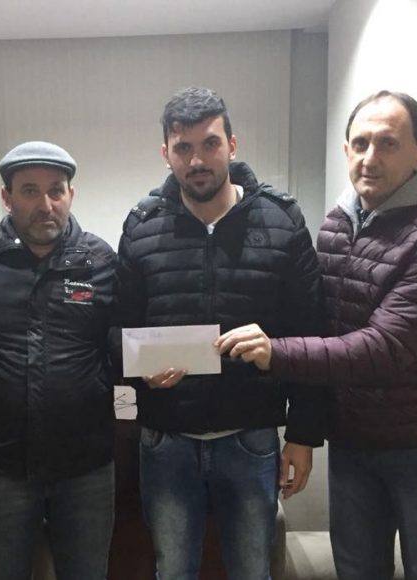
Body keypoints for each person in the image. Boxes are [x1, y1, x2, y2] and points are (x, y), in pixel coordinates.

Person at [216, 91, 417, 580]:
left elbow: (385, 348)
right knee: (356, 570)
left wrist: (274, 352)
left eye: (388, 143)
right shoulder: (337, 226)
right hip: (354, 439)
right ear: (345, 150)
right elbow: (319, 324)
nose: (370, 158)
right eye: (360, 143)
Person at [116, 87, 326, 579]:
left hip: (250, 438)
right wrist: (142, 373)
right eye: (183, 148)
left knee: (253, 571)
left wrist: (303, 436)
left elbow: (312, 333)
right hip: (165, 441)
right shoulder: (141, 226)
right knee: (173, 572)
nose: (197, 160)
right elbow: (114, 332)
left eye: (209, 144)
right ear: (166, 154)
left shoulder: (281, 220)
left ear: (232, 145)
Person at [0, 141, 117, 580]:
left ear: (70, 194)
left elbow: (121, 343)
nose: (45, 204)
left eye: (56, 190)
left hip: (85, 467)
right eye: (29, 191)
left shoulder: (101, 262)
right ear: (7, 197)